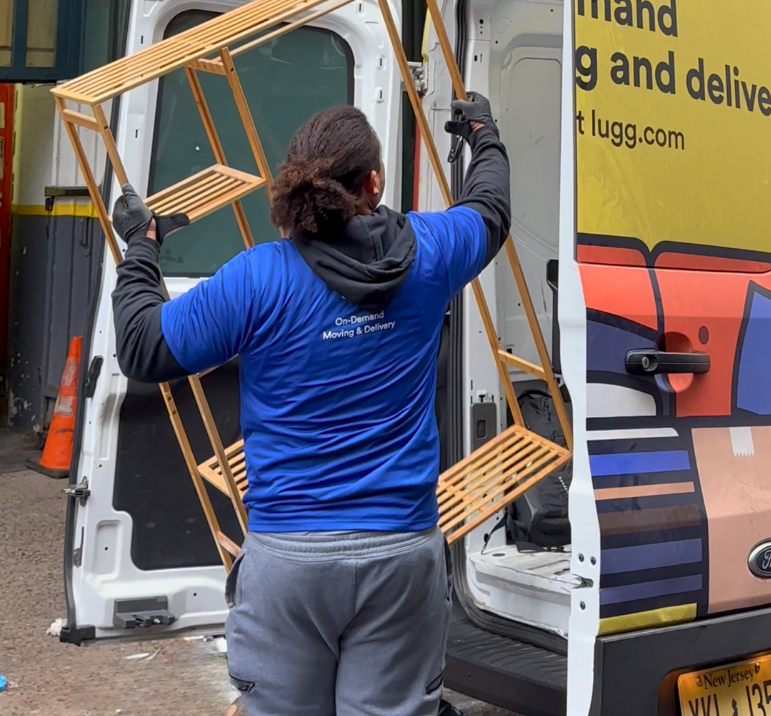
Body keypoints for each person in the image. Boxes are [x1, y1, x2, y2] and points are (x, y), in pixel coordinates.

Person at [110, 95, 510, 716]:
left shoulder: (258, 278)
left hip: (290, 561)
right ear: (373, 183)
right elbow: (489, 208)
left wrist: (142, 244)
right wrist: (483, 132)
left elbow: (142, 345)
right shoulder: (429, 253)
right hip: (400, 555)